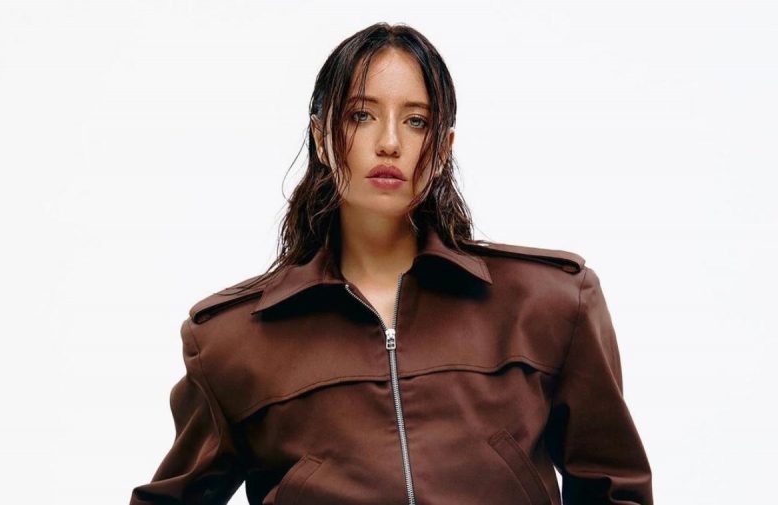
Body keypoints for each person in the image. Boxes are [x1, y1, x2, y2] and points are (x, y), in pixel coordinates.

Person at [129, 22, 653, 505]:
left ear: (443, 148)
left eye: (416, 121)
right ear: (321, 138)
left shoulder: (549, 303)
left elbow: (616, 491)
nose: (389, 143)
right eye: (361, 115)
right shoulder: (234, 341)